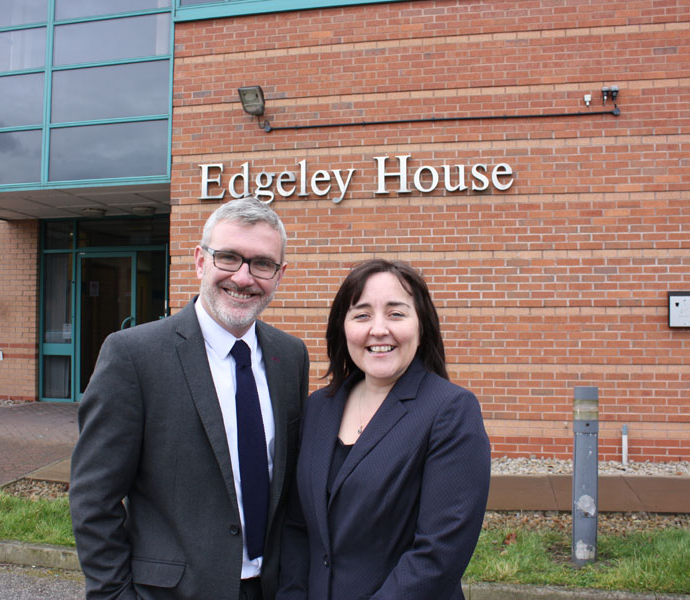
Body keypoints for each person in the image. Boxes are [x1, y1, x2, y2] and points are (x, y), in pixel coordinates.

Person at [70, 196, 310, 600]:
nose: (244, 277)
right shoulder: (133, 355)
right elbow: (94, 499)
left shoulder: (290, 356)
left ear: (279, 274)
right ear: (200, 261)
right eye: (228, 257)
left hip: (271, 588)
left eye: (262, 263)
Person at [277, 259, 491, 600]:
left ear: (422, 327)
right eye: (362, 315)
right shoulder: (318, 408)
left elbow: (438, 554)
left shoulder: (450, 411)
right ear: (342, 328)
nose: (378, 329)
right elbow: (297, 527)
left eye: (396, 314)